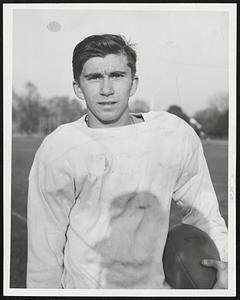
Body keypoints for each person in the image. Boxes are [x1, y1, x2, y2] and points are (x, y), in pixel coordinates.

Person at [27, 34, 228, 289]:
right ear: (78, 87)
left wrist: (226, 264)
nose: (107, 89)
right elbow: (44, 249)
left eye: (117, 75)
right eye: (94, 77)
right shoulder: (60, 148)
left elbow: (204, 212)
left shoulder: (172, 134)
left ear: (133, 83)